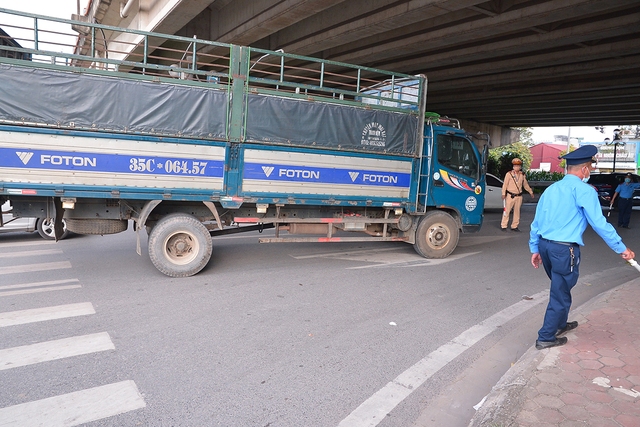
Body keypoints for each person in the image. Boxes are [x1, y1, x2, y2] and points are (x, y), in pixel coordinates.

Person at [529, 145, 635, 350]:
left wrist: (535, 248)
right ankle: (546, 336)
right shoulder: (584, 191)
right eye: (590, 168)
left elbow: (536, 222)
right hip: (564, 250)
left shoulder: (551, 189)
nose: (590, 172)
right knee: (560, 292)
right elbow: (599, 224)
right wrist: (621, 248)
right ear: (585, 169)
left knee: (562, 286)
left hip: (545, 247)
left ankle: (560, 324)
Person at [501, 158, 535, 231]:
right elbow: (505, 185)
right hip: (510, 195)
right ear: (513, 166)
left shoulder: (522, 175)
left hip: (519, 196)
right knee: (507, 211)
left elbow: (525, 185)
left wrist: (530, 192)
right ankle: (504, 225)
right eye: (515, 165)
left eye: (518, 166)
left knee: (517, 212)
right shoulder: (509, 174)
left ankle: (514, 226)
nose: (517, 167)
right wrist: (503, 193)